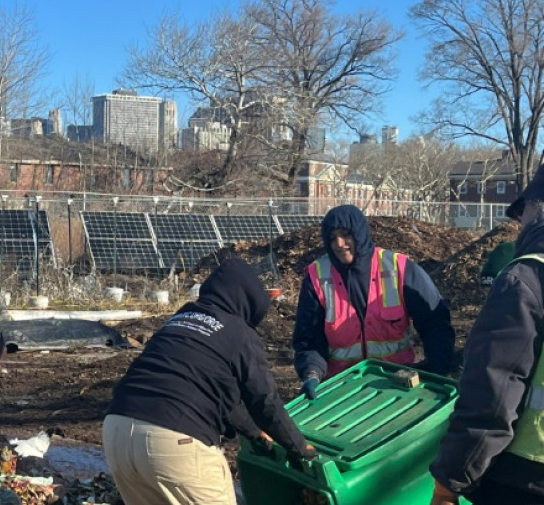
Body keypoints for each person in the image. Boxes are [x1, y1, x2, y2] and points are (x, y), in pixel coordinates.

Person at [102, 258, 315, 505]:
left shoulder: (180, 319)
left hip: (116, 431)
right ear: (247, 303)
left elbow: (219, 395)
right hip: (173, 442)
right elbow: (264, 400)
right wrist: (300, 448)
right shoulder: (239, 331)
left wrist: (255, 434)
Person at [430, 167, 544, 505]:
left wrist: (448, 483)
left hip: (521, 477)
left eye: (521, 216)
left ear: (536, 211)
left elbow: (492, 395)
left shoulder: (528, 279)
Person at [292, 204, 455, 399]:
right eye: (332, 238)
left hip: (398, 384)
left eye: (345, 234)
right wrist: (311, 373)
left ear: (360, 233)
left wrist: (437, 370)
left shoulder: (399, 268)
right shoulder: (317, 276)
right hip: (340, 388)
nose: (339, 243)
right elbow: (307, 339)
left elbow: (435, 324)